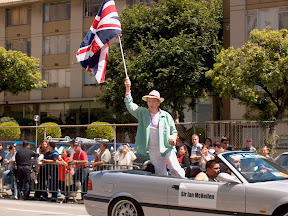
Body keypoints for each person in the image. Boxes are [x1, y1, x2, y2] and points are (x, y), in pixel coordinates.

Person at [124, 77, 185, 178]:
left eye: (153, 101)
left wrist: (174, 138)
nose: (151, 103)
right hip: (153, 149)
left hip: (166, 148)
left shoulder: (166, 115)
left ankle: (186, 186)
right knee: (161, 174)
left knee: (175, 168)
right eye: (149, 101)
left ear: (158, 103)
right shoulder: (143, 113)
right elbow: (130, 105)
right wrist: (128, 88)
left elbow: (174, 131)